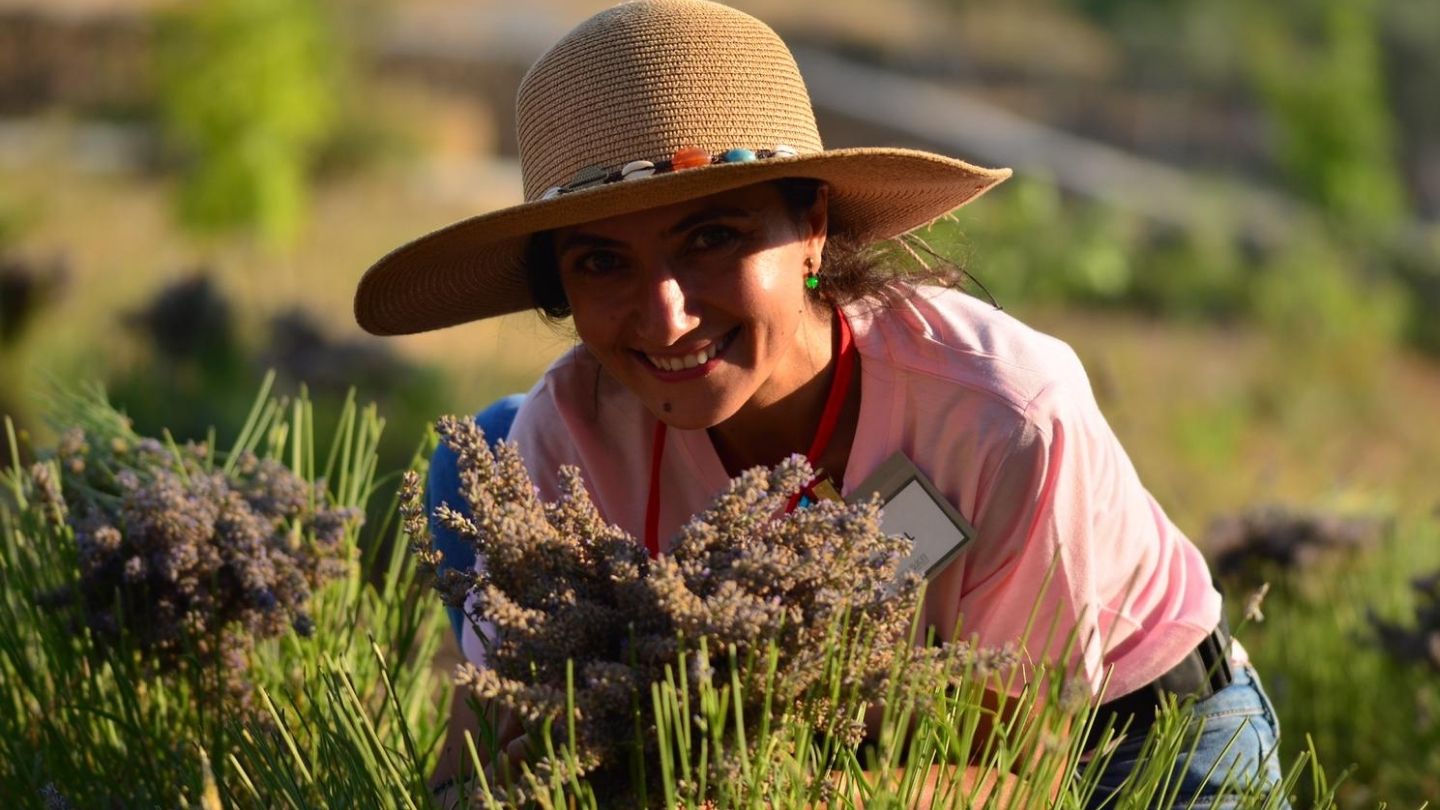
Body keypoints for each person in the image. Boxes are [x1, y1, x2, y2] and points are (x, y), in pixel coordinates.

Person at [354, 0, 1285, 805]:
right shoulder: (565, 438)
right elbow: (473, 752)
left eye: (712, 237)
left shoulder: (1001, 415)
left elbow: (1022, 765)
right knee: (476, 454)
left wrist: (735, 767)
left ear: (811, 228)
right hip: (799, 754)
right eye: (602, 261)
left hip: (1131, 745)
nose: (666, 314)